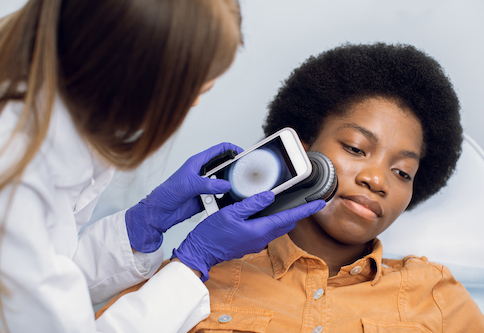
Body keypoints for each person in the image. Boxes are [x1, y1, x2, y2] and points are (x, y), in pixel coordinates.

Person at [0, 0, 325, 332]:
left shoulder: (44, 125)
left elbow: (41, 281)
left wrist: (140, 227)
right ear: (133, 75)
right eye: (194, 88)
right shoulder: (16, 176)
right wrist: (193, 263)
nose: (196, 102)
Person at [185, 43, 484, 332]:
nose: (376, 180)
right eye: (356, 149)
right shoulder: (200, 275)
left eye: (402, 172)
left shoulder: (435, 296)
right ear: (302, 148)